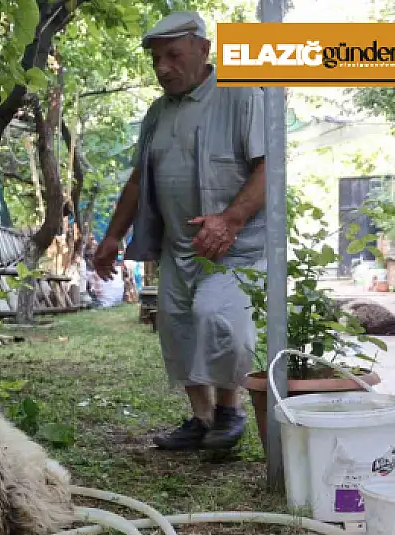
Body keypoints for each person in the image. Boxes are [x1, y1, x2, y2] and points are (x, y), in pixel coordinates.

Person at [92, 11, 267, 451]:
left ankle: (230, 410)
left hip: (237, 246)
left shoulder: (241, 93)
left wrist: (230, 220)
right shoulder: (157, 112)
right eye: (156, 59)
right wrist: (113, 236)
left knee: (217, 317)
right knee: (178, 327)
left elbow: (271, 168)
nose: (162, 68)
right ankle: (202, 419)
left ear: (204, 50)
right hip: (178, 246)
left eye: (173, 55)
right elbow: (138, 180)